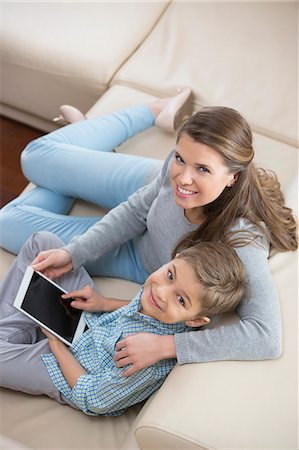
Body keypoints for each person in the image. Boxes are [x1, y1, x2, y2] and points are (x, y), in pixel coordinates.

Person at [0, 94, 297, 375]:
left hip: (138, 259)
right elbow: (136, 210)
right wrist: (74, 253)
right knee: (35, 156)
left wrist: (168, 346)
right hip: (146, 189)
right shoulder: (174, 172)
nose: (184, 177)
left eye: (203, 169)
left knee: (6, 222)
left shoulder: (242, 239)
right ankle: (156, 110)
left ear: (233, 176)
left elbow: (265, 336)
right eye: (181, 158)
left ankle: (85, 139)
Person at [0, 231, 245, 416]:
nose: (161, 292)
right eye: (170, 275)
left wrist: (55, 344)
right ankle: (15, 332)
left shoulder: (146, 361)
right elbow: (138, 306)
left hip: (71, 369)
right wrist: (103, 303)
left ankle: (15, 335)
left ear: (195, 320)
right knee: (43, 243)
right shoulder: (157, 296)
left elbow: (94, 397)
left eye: (180, 299)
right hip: (91, 323)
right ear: (174, 259)